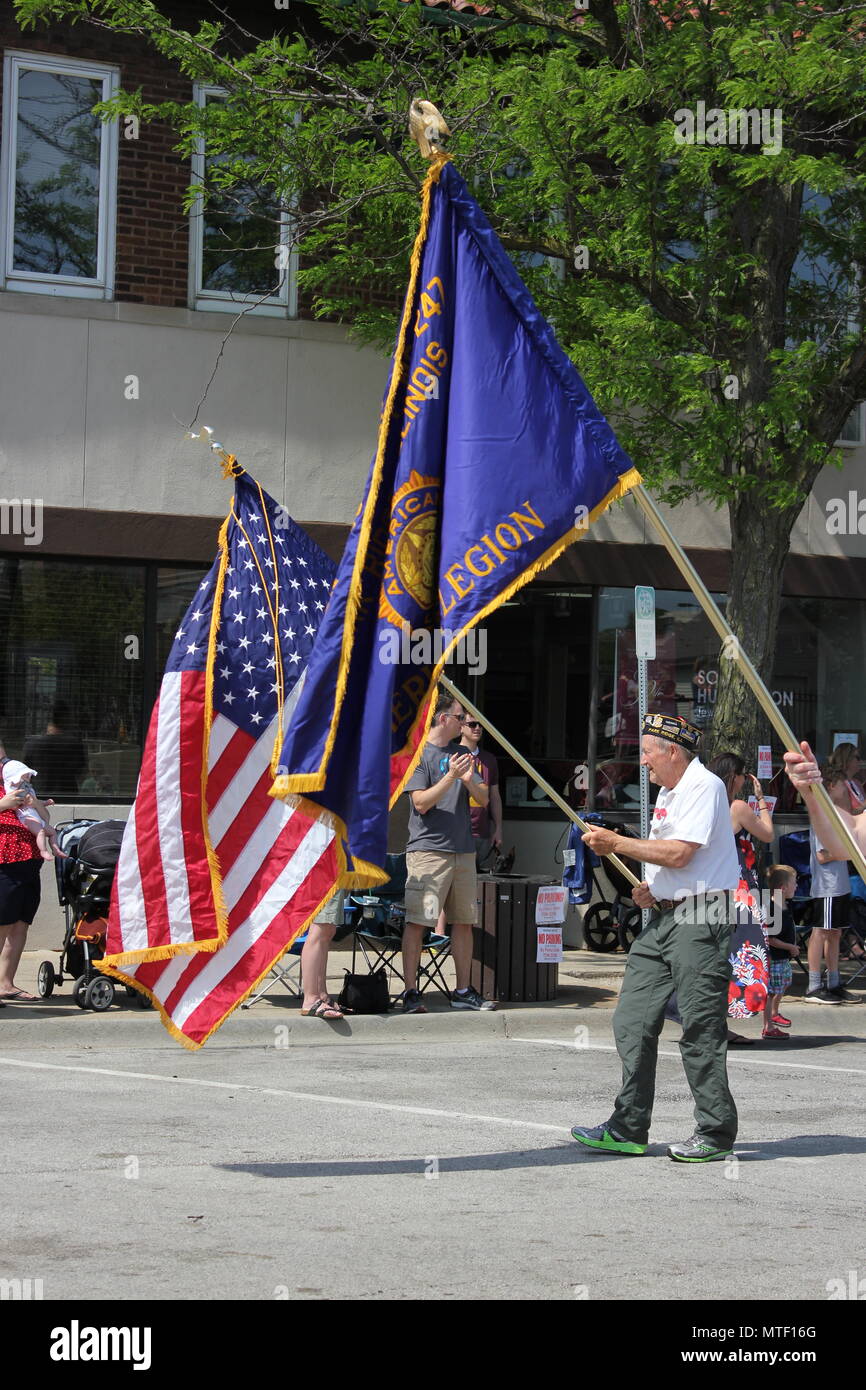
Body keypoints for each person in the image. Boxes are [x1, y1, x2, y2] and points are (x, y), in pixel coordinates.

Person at [572, 713, 740, 1162]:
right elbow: (672, 859)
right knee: (631, 1020)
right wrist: (655, 888)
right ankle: (628, 1127)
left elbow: (681, 853)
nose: (642, 760)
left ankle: (715, 1132)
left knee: (700, 1026)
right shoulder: (669, 790)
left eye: (647, 751)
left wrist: (617, 843)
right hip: (666, 916)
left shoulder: (706, 786)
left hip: (702, 916)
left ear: (672, 752)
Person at [401, 690, 494, 1014]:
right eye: (461, 718)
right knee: (418, 922)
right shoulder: (419, 755)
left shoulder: (463, 753)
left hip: (463, 851)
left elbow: (483, 799)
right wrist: (450, 777)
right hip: (428, 852)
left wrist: (468, 780)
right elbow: (421, 802)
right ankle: (411, 991)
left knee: (464, 921)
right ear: (444, 719)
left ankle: (463, 990)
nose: (467, 723)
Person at [707, 752, 774, 1038]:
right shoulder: (737, 807)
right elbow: (768, 834)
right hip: (739, 888)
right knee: (744, 951)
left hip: (708, 885)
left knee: (717, 952)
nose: (745, 779)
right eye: (743, 775)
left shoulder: (706, 805)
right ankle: (727, 1016)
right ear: (734, 776)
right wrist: (761, 799)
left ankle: (711, 1020)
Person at [0, 776, 49, 1004]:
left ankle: (5, 984)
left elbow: (46, 820)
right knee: (3, 924)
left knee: (20, 925)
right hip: (4, 863)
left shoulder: (20, 786)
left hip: (30, 861)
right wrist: (4, 804)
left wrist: (35, 802)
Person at [299, 890, 351, 1020]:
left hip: (335, 872)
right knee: (320, 928)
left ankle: (321, 995)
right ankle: (311, 1000)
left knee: (327, 930)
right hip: (323, 873)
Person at [458, 717, 502, 870]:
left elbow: (494, 796)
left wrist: (498, 828)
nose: (477, 728)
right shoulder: (452, 755)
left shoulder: (489, 759)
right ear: (461, 727)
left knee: (479, 881)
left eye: (481, 724)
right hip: (456, 831)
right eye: (472, 724)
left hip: (482, 831)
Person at [762, 865, 799, 1038]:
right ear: (783, 888)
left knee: (782, 985)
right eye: (794, 882)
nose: (797, 886)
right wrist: (790, 947)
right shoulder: (772, 909)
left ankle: (775, 1013)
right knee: (770, 992)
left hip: (782, 959)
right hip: (774, 958)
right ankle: (768, 1027)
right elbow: (770, 938)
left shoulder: (784, 904)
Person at [1, 761, 65, 862]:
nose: (28, 779)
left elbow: (45, 815)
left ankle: (55, 849)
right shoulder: (12, 791)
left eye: (28, 776)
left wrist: (44, 802)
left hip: (37, 818)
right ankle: (43, 851)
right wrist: (17, 803)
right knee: (41, 832)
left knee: (53, 832)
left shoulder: (28, 789)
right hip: (27, 817)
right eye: (25, 777)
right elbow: (14, 807)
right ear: (14, 779)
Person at [23, 701, 86, 799]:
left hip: (39, 798)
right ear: (65, 719)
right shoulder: (74, 744)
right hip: (68, 797)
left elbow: (25, 775)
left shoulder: (32, 744)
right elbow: (80, 771)